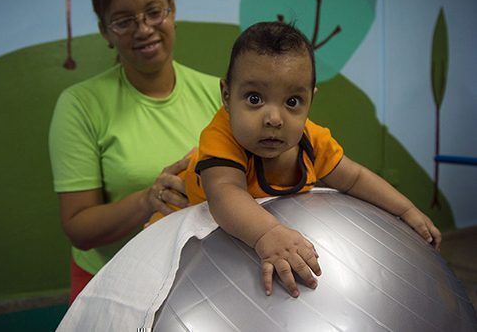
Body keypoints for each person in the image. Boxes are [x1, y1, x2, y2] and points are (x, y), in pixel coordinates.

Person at [148, 21, 442, 298]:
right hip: (176, 235)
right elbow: (226, 195)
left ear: (310, 100)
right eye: (254, 99)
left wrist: (406, 210)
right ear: (227, 95)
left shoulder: (311, 141)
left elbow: (354, 178)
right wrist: (269, 233)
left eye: (292, 102)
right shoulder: (220, 137)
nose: (274, 118)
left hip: (234, 247)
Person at [48, 0, 221, 304]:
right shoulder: (80, 106)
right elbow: (79, 228)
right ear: (105, 32)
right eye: (124, 21)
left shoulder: (218, 94)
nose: (143, 29)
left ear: (172, 11)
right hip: (112, 287)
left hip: (205, 275)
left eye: (154, 12)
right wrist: (148, 199)